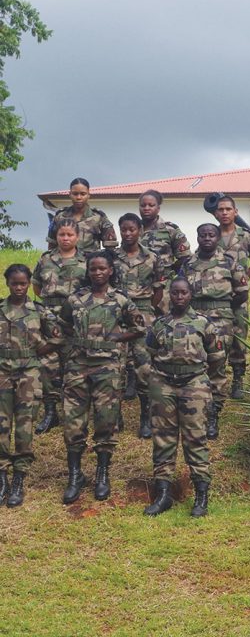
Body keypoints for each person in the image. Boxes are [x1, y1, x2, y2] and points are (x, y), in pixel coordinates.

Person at [59, 251, 145, 504]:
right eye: (93, 268)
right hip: (77, 368)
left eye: (102, 268)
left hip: (108, 369)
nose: (97, 272)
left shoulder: (120, 300)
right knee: (73, 425)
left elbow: (139, 327)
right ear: (88, 271)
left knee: (105, 423)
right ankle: (75, 476)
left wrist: (119, 338)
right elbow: (63, 324)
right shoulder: (75, 299)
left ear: (110, 271)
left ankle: (102, 474)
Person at [143, 277, 225, 518]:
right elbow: (149, 353)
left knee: (195, 439)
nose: (179, 297)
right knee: (163, 439)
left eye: (183, 293)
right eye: (175, 293)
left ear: (191, 295)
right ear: (169, 294)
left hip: (193, 385)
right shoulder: (159, 325)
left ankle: (201, 496)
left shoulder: (204, 324)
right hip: (163, 385)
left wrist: (208, 385)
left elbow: (217, 357)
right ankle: (163, 494)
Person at [0, 265, 60, 507]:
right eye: (14, 283)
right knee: (2, 423)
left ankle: (19, 478)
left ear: (28, 284)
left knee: (25, 426)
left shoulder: (39, 310)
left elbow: (57, 336)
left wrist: (39, 351)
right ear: (7, 283)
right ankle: (2, 474)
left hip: (29, 374)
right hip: (2, 372)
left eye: (23, 283)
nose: (18, 287)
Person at [181, 224, 248, 440]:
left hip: (221, 321)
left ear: (218, 238)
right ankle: (192, 410)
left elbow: (241, 293)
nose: (207, 238)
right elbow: (179, 290)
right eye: (203, 235)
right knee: (192, 363)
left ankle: (213, 415)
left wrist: (221, 308)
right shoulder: (188, 263)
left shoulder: (229, 261)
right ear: (197, 237)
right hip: (193, 321)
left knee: (216, 365)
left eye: (211, 235)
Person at [31, 219, 87, 434]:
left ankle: (74, 412)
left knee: (74, 365)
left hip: (74, 318)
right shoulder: (46, 259)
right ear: (56, 237)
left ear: (77, 237)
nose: (65, 238)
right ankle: (51, 411)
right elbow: (36, 286)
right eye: (61, 235)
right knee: (48, 365)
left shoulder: (85, 261)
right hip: (48, 318)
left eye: (70, 235)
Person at [114, 213, 164, 438]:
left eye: (131, 229)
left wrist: (147, 312)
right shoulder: (112, 258)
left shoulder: (152, 257)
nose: (127, 233)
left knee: (144, 368)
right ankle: (115, 417)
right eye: (123, 229)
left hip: (144, 314)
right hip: (116, 316)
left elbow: (159, 289)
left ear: (140, 230)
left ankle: (145, 417)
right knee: (116, 367)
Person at [214, 195, 250, 401]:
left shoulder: (246, 236)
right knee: (215, 336)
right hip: (215, 295)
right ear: (216, 213)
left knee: (238, 336)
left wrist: (241, 280)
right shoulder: (209, 235)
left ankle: (238, 379)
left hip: (238, 296)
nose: (224, 213)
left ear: (235, 212)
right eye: (220, 209)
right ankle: (215, 376)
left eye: (228, 209)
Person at [46, 177, 118, 257]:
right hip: (65, 263)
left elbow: (110, 246)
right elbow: (52, 244)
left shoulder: (99, 217)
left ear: (88, 195)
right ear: (70, 194)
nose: (79, 197)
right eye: (75, 194)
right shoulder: (60, 216)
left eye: (83, 194)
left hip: (90, 265)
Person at [138, 188, 192, 286]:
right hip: (139, 286)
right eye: (143, 205)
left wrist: (170, 271)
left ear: (158, 208)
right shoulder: (133, 229)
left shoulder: (170, 230)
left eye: (151, 205)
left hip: (164, 286)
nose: (146, 208)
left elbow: (185, 257)